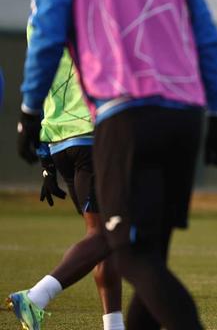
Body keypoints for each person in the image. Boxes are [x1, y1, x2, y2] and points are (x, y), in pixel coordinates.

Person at [15, 0, 217, 328]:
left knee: (127, 253)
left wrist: (30, 113)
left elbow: (45, 36)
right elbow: (207, 38)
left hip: (125, 114)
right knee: (150, 257)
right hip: (185, 116)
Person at [8, 25, 123, 330]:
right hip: (92, 135)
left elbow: (39, 87)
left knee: (100, 237)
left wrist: (46, 162)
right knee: (110, 234)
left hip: (61, 144)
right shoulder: (91, 13)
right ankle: (36, 297)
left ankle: (115, 325)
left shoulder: (37, 25)